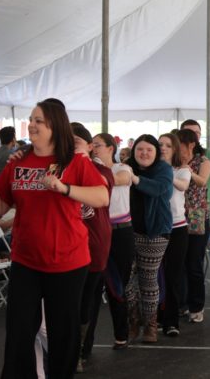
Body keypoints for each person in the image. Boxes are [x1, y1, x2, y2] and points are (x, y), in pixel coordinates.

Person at [0, 99, 109, 379]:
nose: (31, 125)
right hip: (25, 259)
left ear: (55, 126)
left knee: (62, 335)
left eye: (38, 120)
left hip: (66, 261)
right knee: (19, 332)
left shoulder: (75, 161)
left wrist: (64, 188)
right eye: (31, 119)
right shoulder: (19, 161)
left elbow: (102, 197)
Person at [69, 123, 114, 373]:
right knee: (69, 301)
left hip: (94, 244)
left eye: (75, 142)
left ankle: (80, 350)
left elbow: (103, 188)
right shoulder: (58, 168)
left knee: (86, 300)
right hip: (65, 245)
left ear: (88, 146)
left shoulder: (101, 172)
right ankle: (70, 348)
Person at [126, 134, 173, 344]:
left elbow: (158, 189)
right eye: (139, 149)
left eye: (149, 150)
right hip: (126, 231)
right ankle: (133, 321)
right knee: (126, 280)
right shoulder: (126, 166)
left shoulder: (163, 169)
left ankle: (150, 325)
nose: (144, 153)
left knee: (148, 279)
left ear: (156, 152)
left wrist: (134, 179)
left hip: (154, 232)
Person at [91, 132, 135, 351]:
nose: (94, 148)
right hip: (96, 232)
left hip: (120, 233)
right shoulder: (90, 169)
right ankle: (84, 346)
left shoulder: (122, 168)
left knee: (117, 286)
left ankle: (121, 335)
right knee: (91, 289)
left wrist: (91, 176)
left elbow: (122, 180)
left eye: (98, 145)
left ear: (111, 148)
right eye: (92, 145)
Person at [157, 133, 190, 334]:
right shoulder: (149, 170)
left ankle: (171, 321)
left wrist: (164, 172)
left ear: (174, 149)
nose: (163, 148)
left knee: (173, 275)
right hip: (155, 228)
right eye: (160, 144)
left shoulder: (181, 170)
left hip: (177, 228)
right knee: (153, 276)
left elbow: (183, 186)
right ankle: (155, 318)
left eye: (168, 145)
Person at [178, 129, 210, 323]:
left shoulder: (202, 161)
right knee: (178, 262)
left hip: (197, 215)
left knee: (194, 263)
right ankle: (181, 303)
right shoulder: (172, 161)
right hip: (177, 216)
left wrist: (187, 171)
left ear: (190, 144)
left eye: (179, 144)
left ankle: (196, 305)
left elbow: (202, 182)